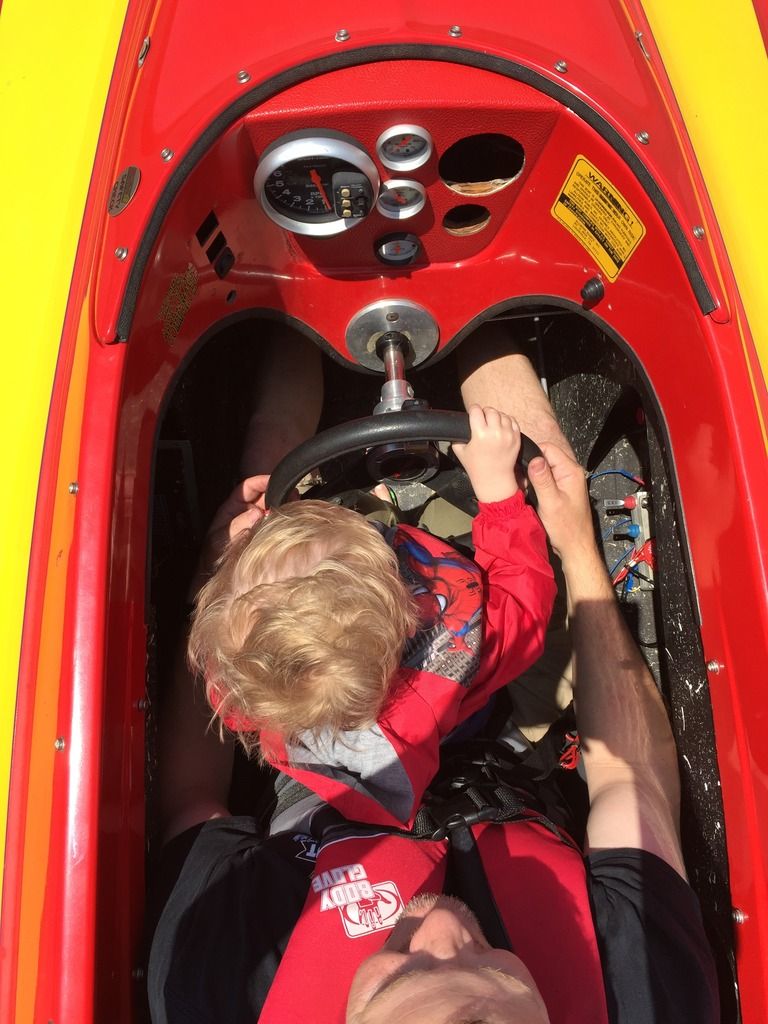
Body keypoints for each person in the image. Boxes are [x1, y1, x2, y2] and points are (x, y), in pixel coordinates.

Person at [149, 331, 719, 1023]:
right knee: (546, 471)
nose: (446, 927)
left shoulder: (210, 991)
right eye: (495, 966)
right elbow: (629, 778)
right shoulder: (652, 999)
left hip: (312, 765)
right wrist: (562, 533)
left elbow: (193, 800)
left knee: (259, 477)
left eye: (399, 975)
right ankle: (482, 324)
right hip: (503, 749)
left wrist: (219, 570)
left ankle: (291, 337)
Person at [185, 404, 556, 828]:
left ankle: (371, 509)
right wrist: (499, 497)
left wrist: (231, 553)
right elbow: (525, 599)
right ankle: (387, 507)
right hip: (459, 709)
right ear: (410, 609)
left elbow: (236, 646)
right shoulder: (456, 652)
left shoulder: (242, 679)